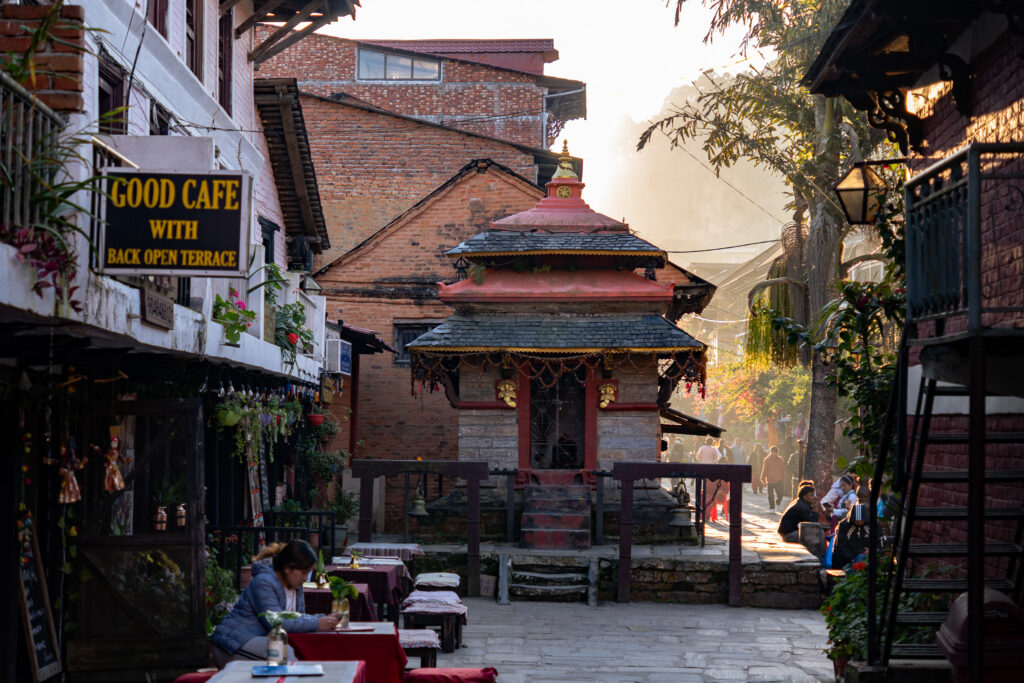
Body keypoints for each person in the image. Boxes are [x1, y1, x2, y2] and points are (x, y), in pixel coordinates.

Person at [211, 540, 342, 667]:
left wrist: (323, 619)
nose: (305, 578)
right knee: (285, 652)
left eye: (308, 572)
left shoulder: (296, 586)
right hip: (234, 643)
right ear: (287, 568)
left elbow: (298, 619)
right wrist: (316, 623)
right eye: (303, 572)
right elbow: (277, 622)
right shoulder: (263, 582)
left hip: (265, 640)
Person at [832, 504, 880, 568]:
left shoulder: (873, 525)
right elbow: (840, 545)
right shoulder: (844, 525)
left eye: (861, 521)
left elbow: (879, 541)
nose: (859, 523)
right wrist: (852, 558)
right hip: (847, 557)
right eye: (857, 521)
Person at [760, 446, 786, 512]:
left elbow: (782, 469)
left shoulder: (780, 459)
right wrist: (763, 479)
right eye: (773, 452)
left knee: (781, 493)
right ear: (771, 452)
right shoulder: (767, 460)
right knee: (770, 495)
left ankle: (778, 501)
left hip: (779, 480)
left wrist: (783, 477)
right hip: (770, 480)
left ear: (777, 452)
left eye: (776, 452)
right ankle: (772, 507)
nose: (774, 454)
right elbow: (764, 470)